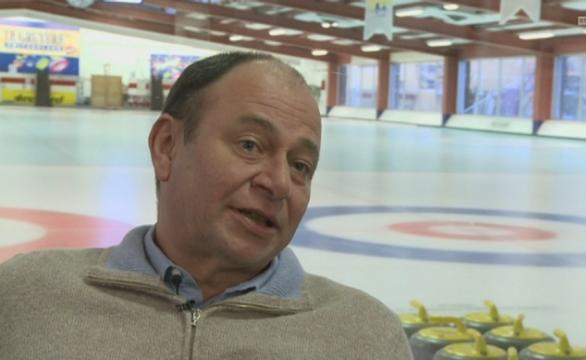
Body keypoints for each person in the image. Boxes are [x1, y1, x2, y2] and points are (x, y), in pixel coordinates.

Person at [0, 52, 411, 359]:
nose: (280, 183)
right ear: (167, 147)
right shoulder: (25, 298)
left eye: (301, 166)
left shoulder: (367, 339)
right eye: (250, 145)